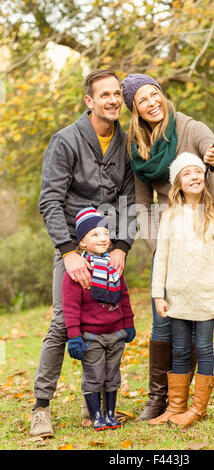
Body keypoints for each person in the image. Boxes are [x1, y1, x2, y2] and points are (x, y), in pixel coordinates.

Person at [121, 73, 214, 421]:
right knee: (163, 324)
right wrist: (159, 247)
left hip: (203, 234)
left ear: (162, 94)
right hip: (169, 240)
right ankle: (162, 401)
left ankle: (192, 404)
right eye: (142, 100)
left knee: (199, 325)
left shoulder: (192, 128)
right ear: (135, 109)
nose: (151, 102)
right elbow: (142, 205)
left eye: (154, 94)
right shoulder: (138, 147)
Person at [30, 69, 136, 438]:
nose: (112, 100)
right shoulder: (65, 141)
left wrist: (122, 246)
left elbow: (129, 200)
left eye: (116, 94)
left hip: (110, 250)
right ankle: (41, 407)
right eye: (103, 94)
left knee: (107, 322)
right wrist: (69, 252)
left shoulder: (126, 142)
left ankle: (97, 405)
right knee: (63, 323)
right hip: (73, 248)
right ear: (89, 101)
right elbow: (50, 201)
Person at [149, 152, 214, 426]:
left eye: (198, 172)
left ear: (205, 178)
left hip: (206, 296)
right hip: (177, 296)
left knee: (203, 347)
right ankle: (175, 408)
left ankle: (197, 409)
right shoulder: (170, 216)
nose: (194, 177)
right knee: (180, 350)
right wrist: (158, 294)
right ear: (178, 183)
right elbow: (161, 256)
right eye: (187, 174)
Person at [63, 207, 136, 431]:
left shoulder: (114, 269)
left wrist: (129, 324)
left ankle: (111, 414)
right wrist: (74, 336)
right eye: (95, 234)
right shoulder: (78, 272)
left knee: (113, 375)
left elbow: (124, 298)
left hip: (115, 334)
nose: (103, 238)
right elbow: (71, 307)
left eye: (105, 233)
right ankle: (96, 416)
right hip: (91, 336)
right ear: (82, 243)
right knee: (94, 376)